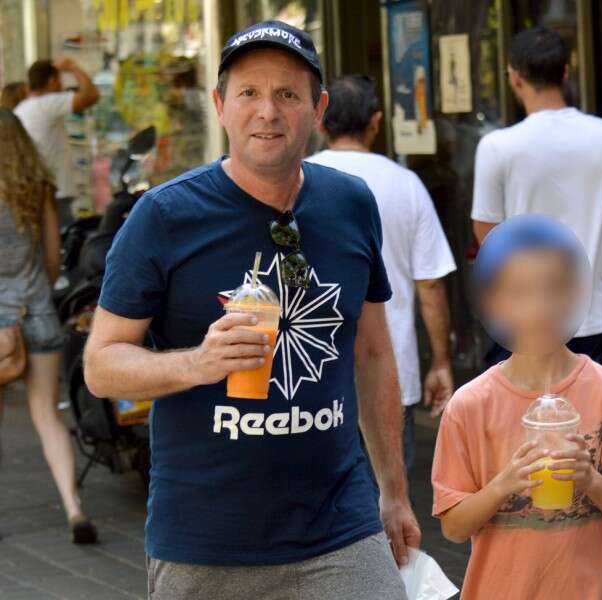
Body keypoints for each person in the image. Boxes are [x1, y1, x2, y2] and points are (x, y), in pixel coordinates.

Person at [83, 21, 419, 600]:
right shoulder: (164, 216)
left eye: (287, 94)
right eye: (248, 93)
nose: (268, 111)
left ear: (318, 109)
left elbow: (371, 351)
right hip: (207, 542)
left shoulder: (350, 203)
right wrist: (198, 363)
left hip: (340, 526)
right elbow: (101, 365)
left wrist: (393, 490)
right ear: (220, 106)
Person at [432, 214, 602, 600]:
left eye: (555, 288)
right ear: (494, 301)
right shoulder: (469, 405)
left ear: (575, 292)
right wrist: (505, 483)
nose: (540, 307)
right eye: (520, 292)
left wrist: (590, 480)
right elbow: (454, 528)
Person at [307, 74, 457, 472]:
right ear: (376, 121)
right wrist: (441, 362)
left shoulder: (297, 180)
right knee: (390, 496)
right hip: (392, 372)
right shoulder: (407, 185)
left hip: (314, 375)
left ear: (319, 120)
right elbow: (430, 284)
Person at [471, 27, 602, 365]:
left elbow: (487, 236)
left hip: (528, 316)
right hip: (600, 315)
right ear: (565, 72)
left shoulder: (497, 147)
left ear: (514, 76)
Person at [0, 108, 97, 544]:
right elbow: (53, 257)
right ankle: (74, 509)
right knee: (47, 413)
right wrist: (36, 290)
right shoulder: (37, 187)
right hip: (37, 311)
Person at [14, 58, 99, 227]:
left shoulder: (22, 109)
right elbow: (91, 95)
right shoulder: (47, 104)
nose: (62, 85)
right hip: (56, 193)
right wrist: (71, 66)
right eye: (60, 79)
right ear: (52, 80)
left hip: (42, 190)